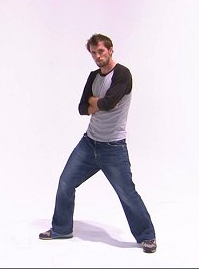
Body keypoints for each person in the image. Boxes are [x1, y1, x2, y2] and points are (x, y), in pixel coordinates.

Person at [39, 34, 157, 253]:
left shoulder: (122, 74)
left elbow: (110, 103)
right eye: (93, 53)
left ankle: (147, 236)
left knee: (126, 193)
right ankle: (61, 229)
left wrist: (96, 102)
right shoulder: (93, 76)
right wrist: (95, 103)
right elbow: (82, 109)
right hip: (89, 144)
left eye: (101, 51)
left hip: (113, 147)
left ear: (111, 50)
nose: (97, 56)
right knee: (66, 182)